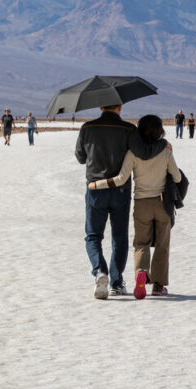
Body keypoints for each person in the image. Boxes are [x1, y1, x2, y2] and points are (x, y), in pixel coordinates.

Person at [74, 104, 166, 299]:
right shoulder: (128, 129)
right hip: (120, 191)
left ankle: (100, 271)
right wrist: (163, 145)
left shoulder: (87, 128)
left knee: (93, 236)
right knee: (119, 237)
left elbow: (80, 158)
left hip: (95, 189)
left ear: (100, 106)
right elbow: (144, 152)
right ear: (120, 106)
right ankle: (116, 283)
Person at [88, 115, 182, 298]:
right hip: (162, 203)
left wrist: (97, 184)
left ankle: (141, 271)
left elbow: (121, 179)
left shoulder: (132, 154)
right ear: (160, 131)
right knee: (162, 245)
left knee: (141, 243)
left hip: (141, 203)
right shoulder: (166, 152)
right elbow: (177, 178)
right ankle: (158, 286)